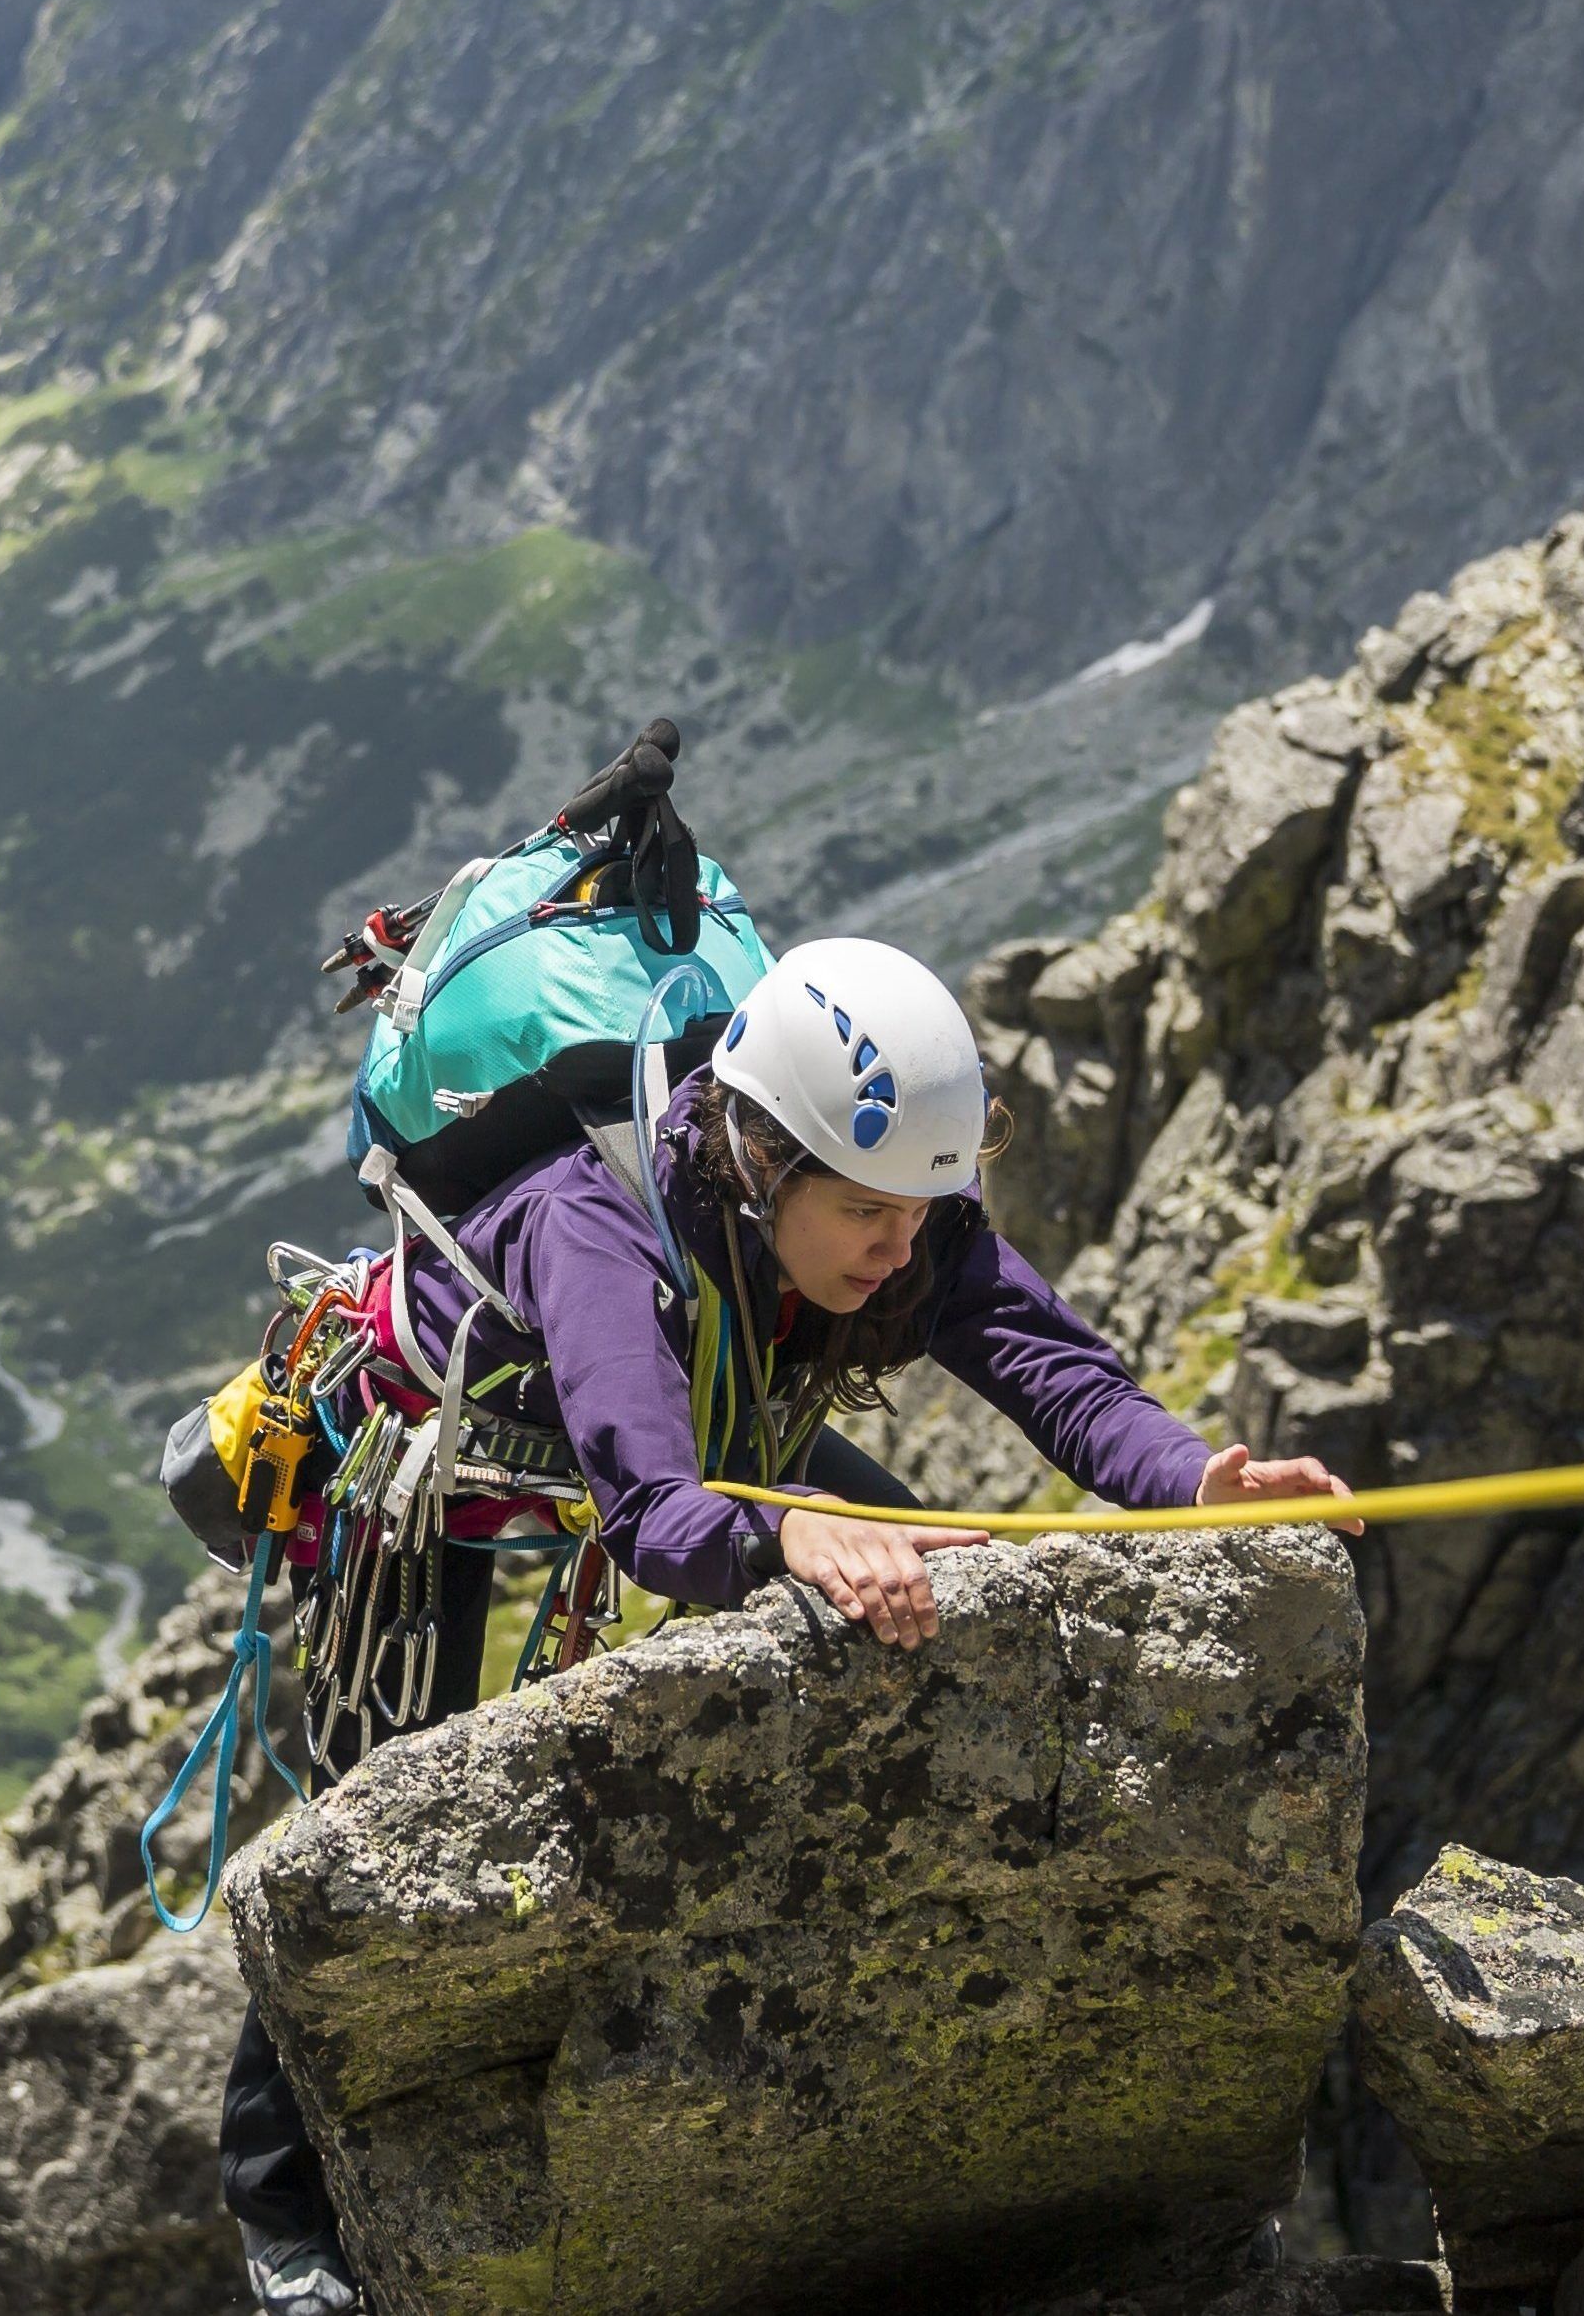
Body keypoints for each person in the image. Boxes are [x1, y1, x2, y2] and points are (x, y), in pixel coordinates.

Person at [219, 935, 1355, 2313]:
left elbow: (1046, 1363)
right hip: (428, 1458)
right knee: (367, 1820)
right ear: (761, 1159)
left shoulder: (887, 1210)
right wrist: (786, 1532)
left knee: (922, 1578)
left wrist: (1191, 1478)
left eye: (923, 1214)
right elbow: (653, 1511)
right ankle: (279, 2215)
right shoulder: (592, 1223)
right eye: (869, 1213)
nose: (900, 1248)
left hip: (703, 1421)